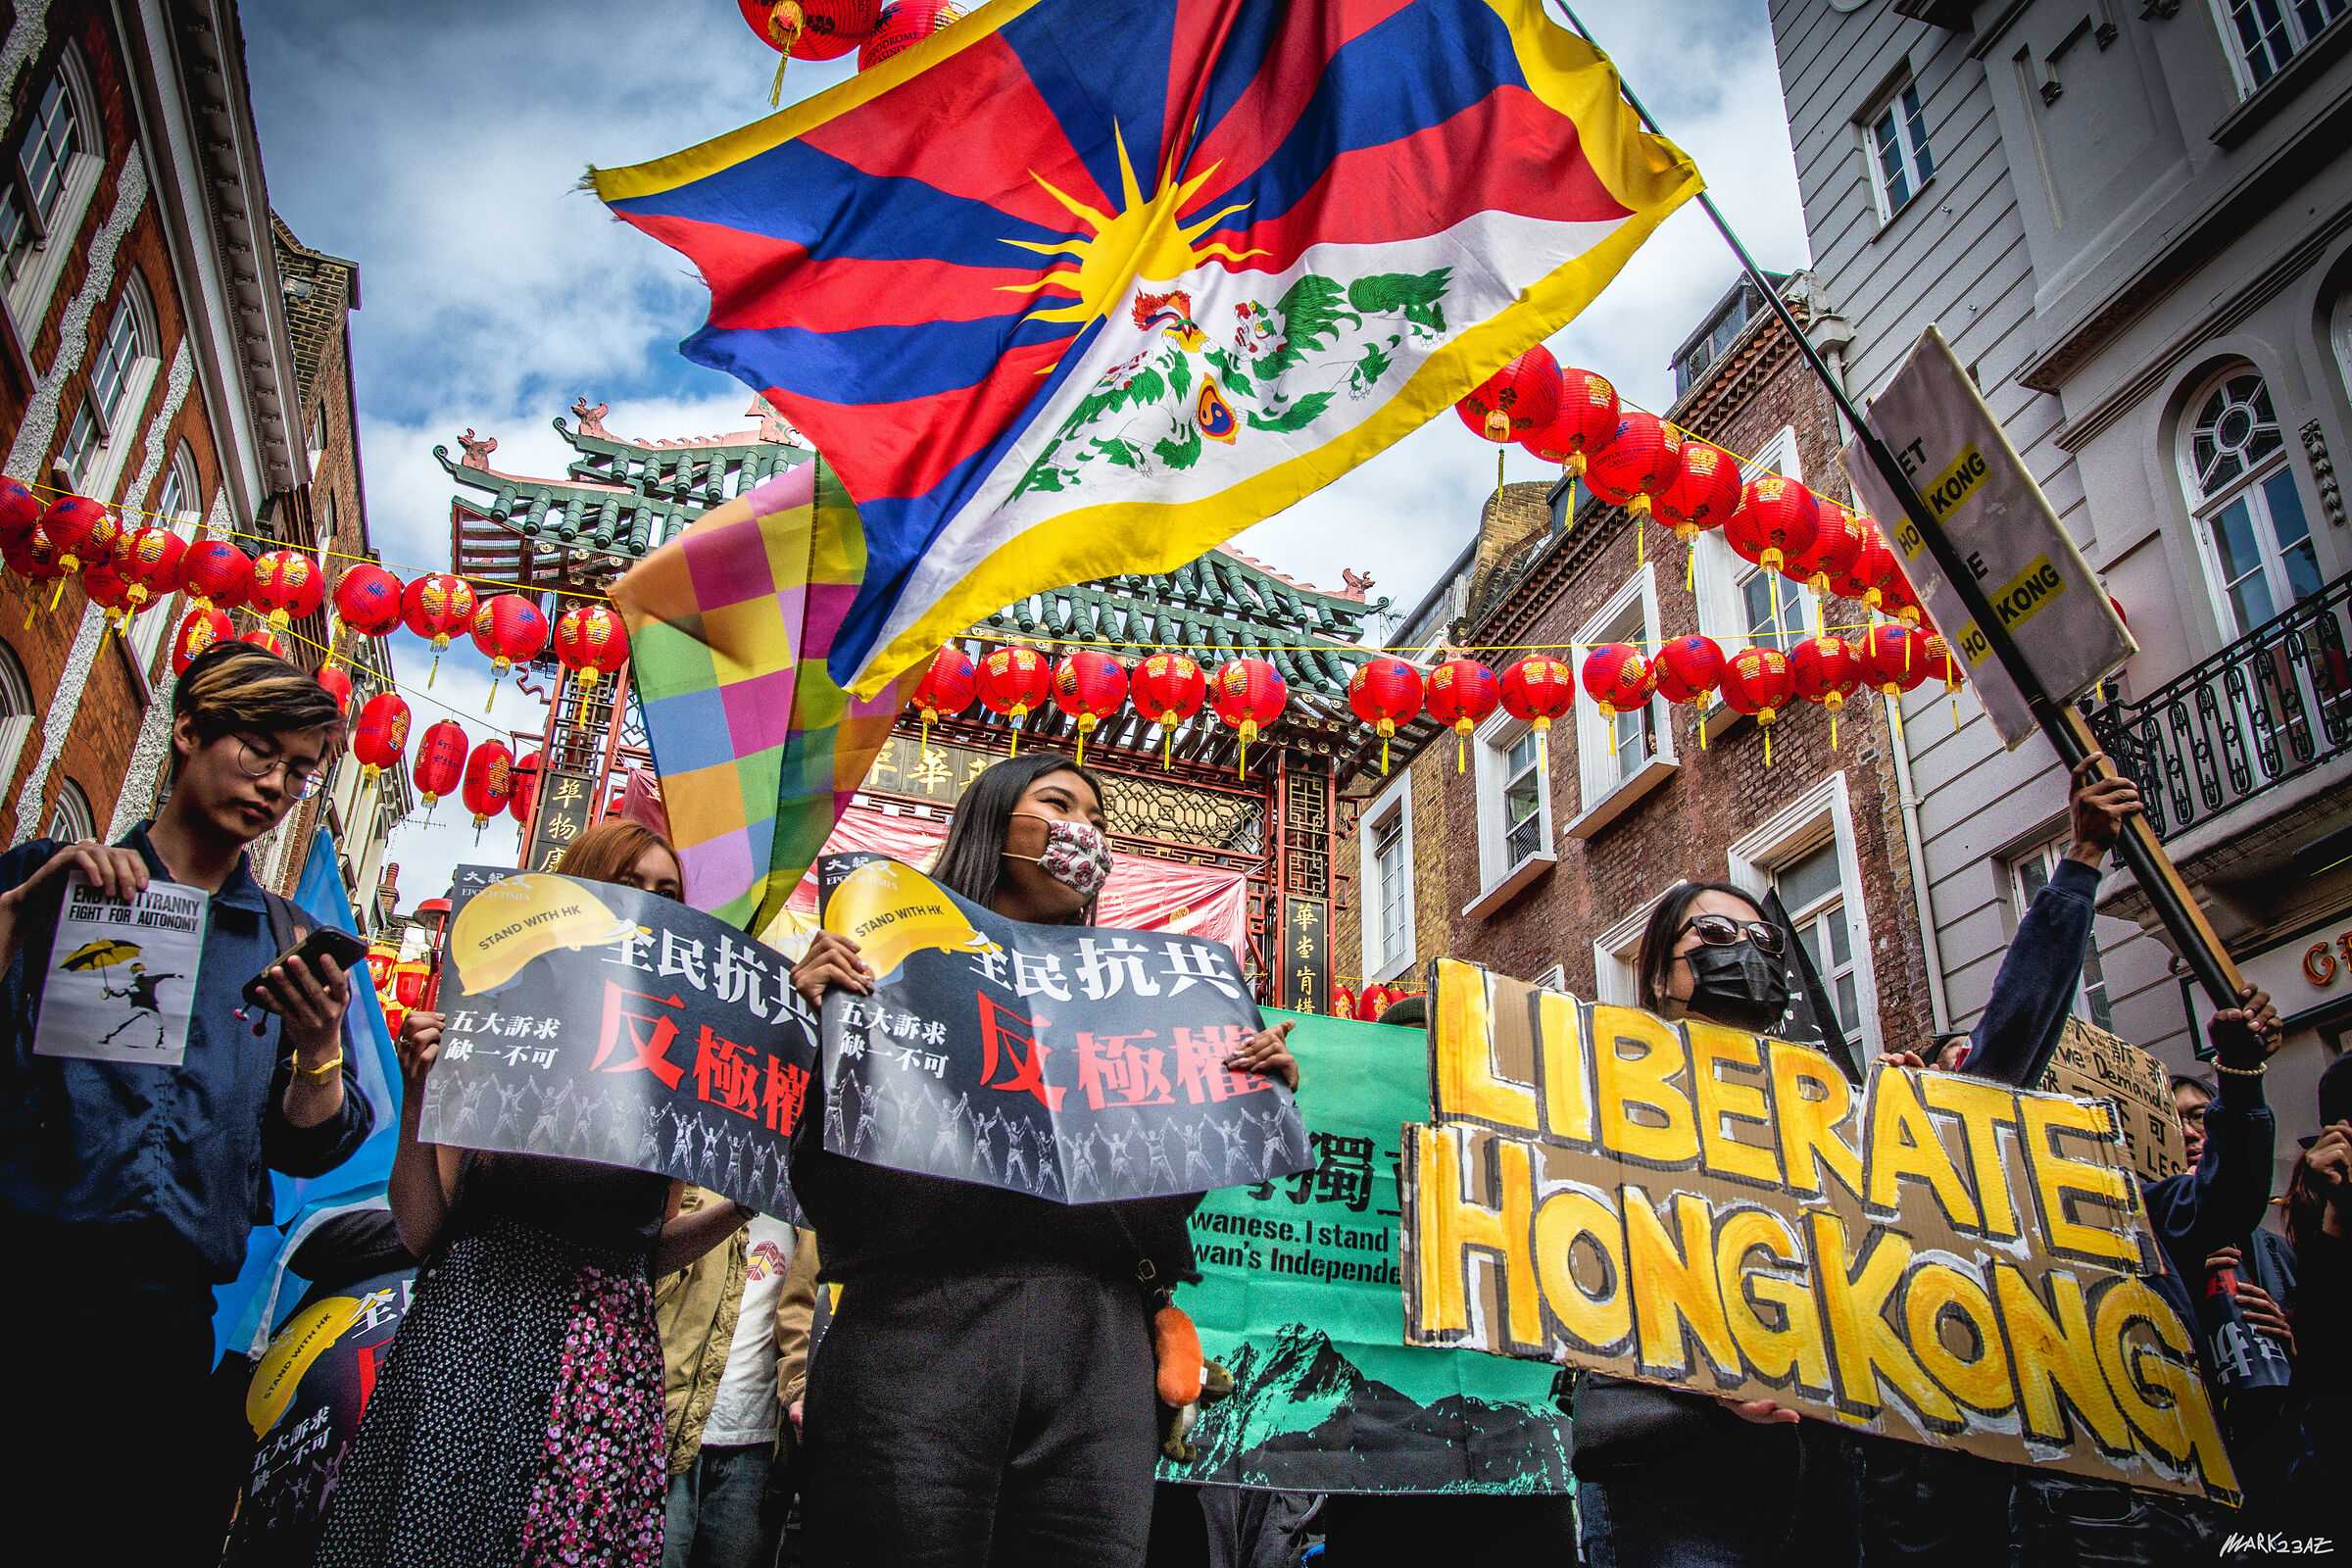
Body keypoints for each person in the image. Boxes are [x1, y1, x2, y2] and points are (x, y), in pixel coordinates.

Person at [787, 751, 1300, 1568]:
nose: (1084, 832)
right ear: (991, 823)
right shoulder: (881, 969)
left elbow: (1154, 1198)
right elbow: (830, 1185)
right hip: (917, 1337)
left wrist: (1231, 1098)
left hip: (1097, 1358)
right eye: (1060, 805)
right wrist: (823, 1034)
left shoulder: (1136, 1004)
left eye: (1099, 821)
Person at [0, 640, 373, 1567]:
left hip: (166, 1325)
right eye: (259, 750)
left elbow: (311, 1152)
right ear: (190, 731)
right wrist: (18, 920)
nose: (276, 784)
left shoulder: (289, 940)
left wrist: (319, 1053)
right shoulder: (51, 881)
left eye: (298, 770)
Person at [316, 821, 760, 1568]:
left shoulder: (670, 1059)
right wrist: (421, 1102)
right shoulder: (498, 1012)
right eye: (627, 884)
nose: (645, 905)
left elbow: (646, 1248)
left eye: (666, 894)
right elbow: (426, 1228)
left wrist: (742, 1204)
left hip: (605, 1361)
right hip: (474, 1332)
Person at [656, 1188, 808, 1568]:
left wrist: (801, 1389)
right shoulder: (689, 1175)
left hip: (757, 1453)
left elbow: (806, 1317)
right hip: (666, 1433)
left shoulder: (808, 1208)